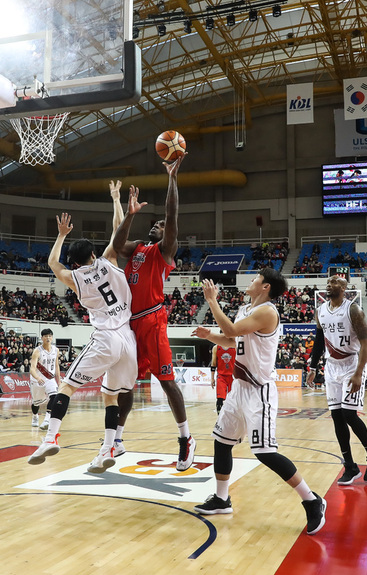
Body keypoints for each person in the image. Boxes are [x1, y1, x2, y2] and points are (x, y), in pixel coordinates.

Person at [192, 271, 326, 535]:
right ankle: (222, 499)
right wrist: (209, 335)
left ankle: (312, 500)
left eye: (255, 278)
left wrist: (212, 301)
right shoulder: (246, 308)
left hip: (259, 391)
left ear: (265, 286)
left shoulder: (268, 312)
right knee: (222, 442)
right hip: (238, 389)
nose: (250, 280)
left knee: (264, 452)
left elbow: (230, 328)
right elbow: (232, 340)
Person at [28, 212, 137, 474]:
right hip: (128, 338)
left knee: (66, 386)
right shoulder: (110, 259)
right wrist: (115, 200)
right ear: (93, 254)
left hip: (105, 337)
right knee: (111, 395)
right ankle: (109, 448)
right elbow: (118, 230)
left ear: (76, 263)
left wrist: (62, 234)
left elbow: (53, 262)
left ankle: (51, 438)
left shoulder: (75, 278)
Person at [112, 160, 196, 471]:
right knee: (127, 383)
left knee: (166, 381)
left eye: (161, 224)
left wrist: (172, 178)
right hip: (130, 324)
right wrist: (130, 215)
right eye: (156, 223)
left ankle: (186, 438)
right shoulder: (136, 249)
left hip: (153, 319)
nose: (158, 224)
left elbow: (172, 215)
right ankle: (117, 440)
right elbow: (117, 243)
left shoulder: (164, 251)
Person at [307, 276, 367, 485]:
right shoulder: (320, 310)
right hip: (331, 367)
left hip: (351, 365)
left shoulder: (353, 310)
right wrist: (313, 367)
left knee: (350, 414)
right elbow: (319, 340)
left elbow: (366, 343)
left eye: (334, 282)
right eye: (328, 282)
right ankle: (349, 466)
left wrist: (359, 372)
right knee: (337, 417)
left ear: (343, 287)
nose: (329, 284)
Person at [29, 328, 61, 430]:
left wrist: (59, 380)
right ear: (42, 338)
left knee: (54, 396)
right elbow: (32, 369)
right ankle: (35, 416)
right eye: (46, 336)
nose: (48, 338)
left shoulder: (56, 350)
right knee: (36, 403)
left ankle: (47, 420)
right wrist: (37, 377)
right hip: (37, 379)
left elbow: (56, 366)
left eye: (50, 336)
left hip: (49, 378)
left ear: (52, 337)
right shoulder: (37, 351)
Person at [210, 342, 235, 414]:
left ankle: (233, 417)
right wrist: (212, 378)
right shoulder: (216, 348)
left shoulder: (235, 346)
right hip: (221, 376)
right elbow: (213, 364)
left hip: (233, 376)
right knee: (219, 399)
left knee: (233, 399)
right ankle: (220, 419)